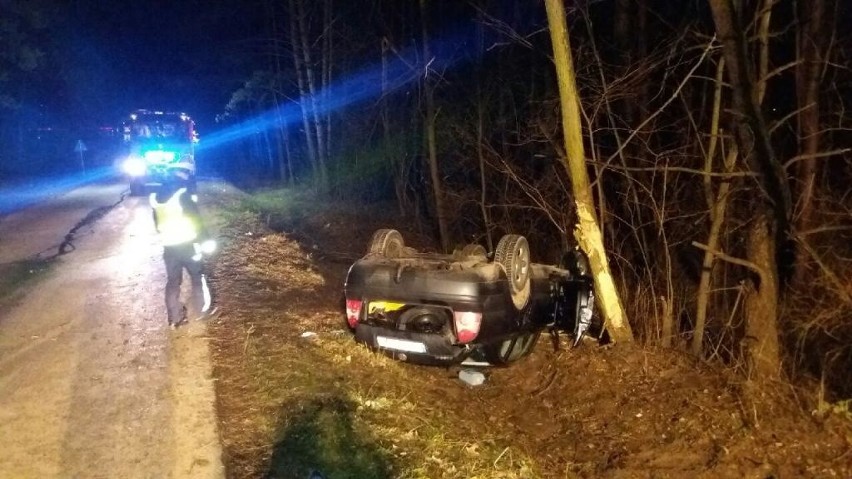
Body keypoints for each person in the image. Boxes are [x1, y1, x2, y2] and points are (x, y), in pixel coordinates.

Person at [150, 167, 217, 328]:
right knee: (198, 277)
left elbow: (158, 225)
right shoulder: (183, 195)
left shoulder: (155, 198)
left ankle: (174, 319)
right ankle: (203, 311)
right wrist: (204, 240)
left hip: (169, 248)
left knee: (173, 282)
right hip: (188, 245)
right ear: (181, 178)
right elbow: (196, 221)